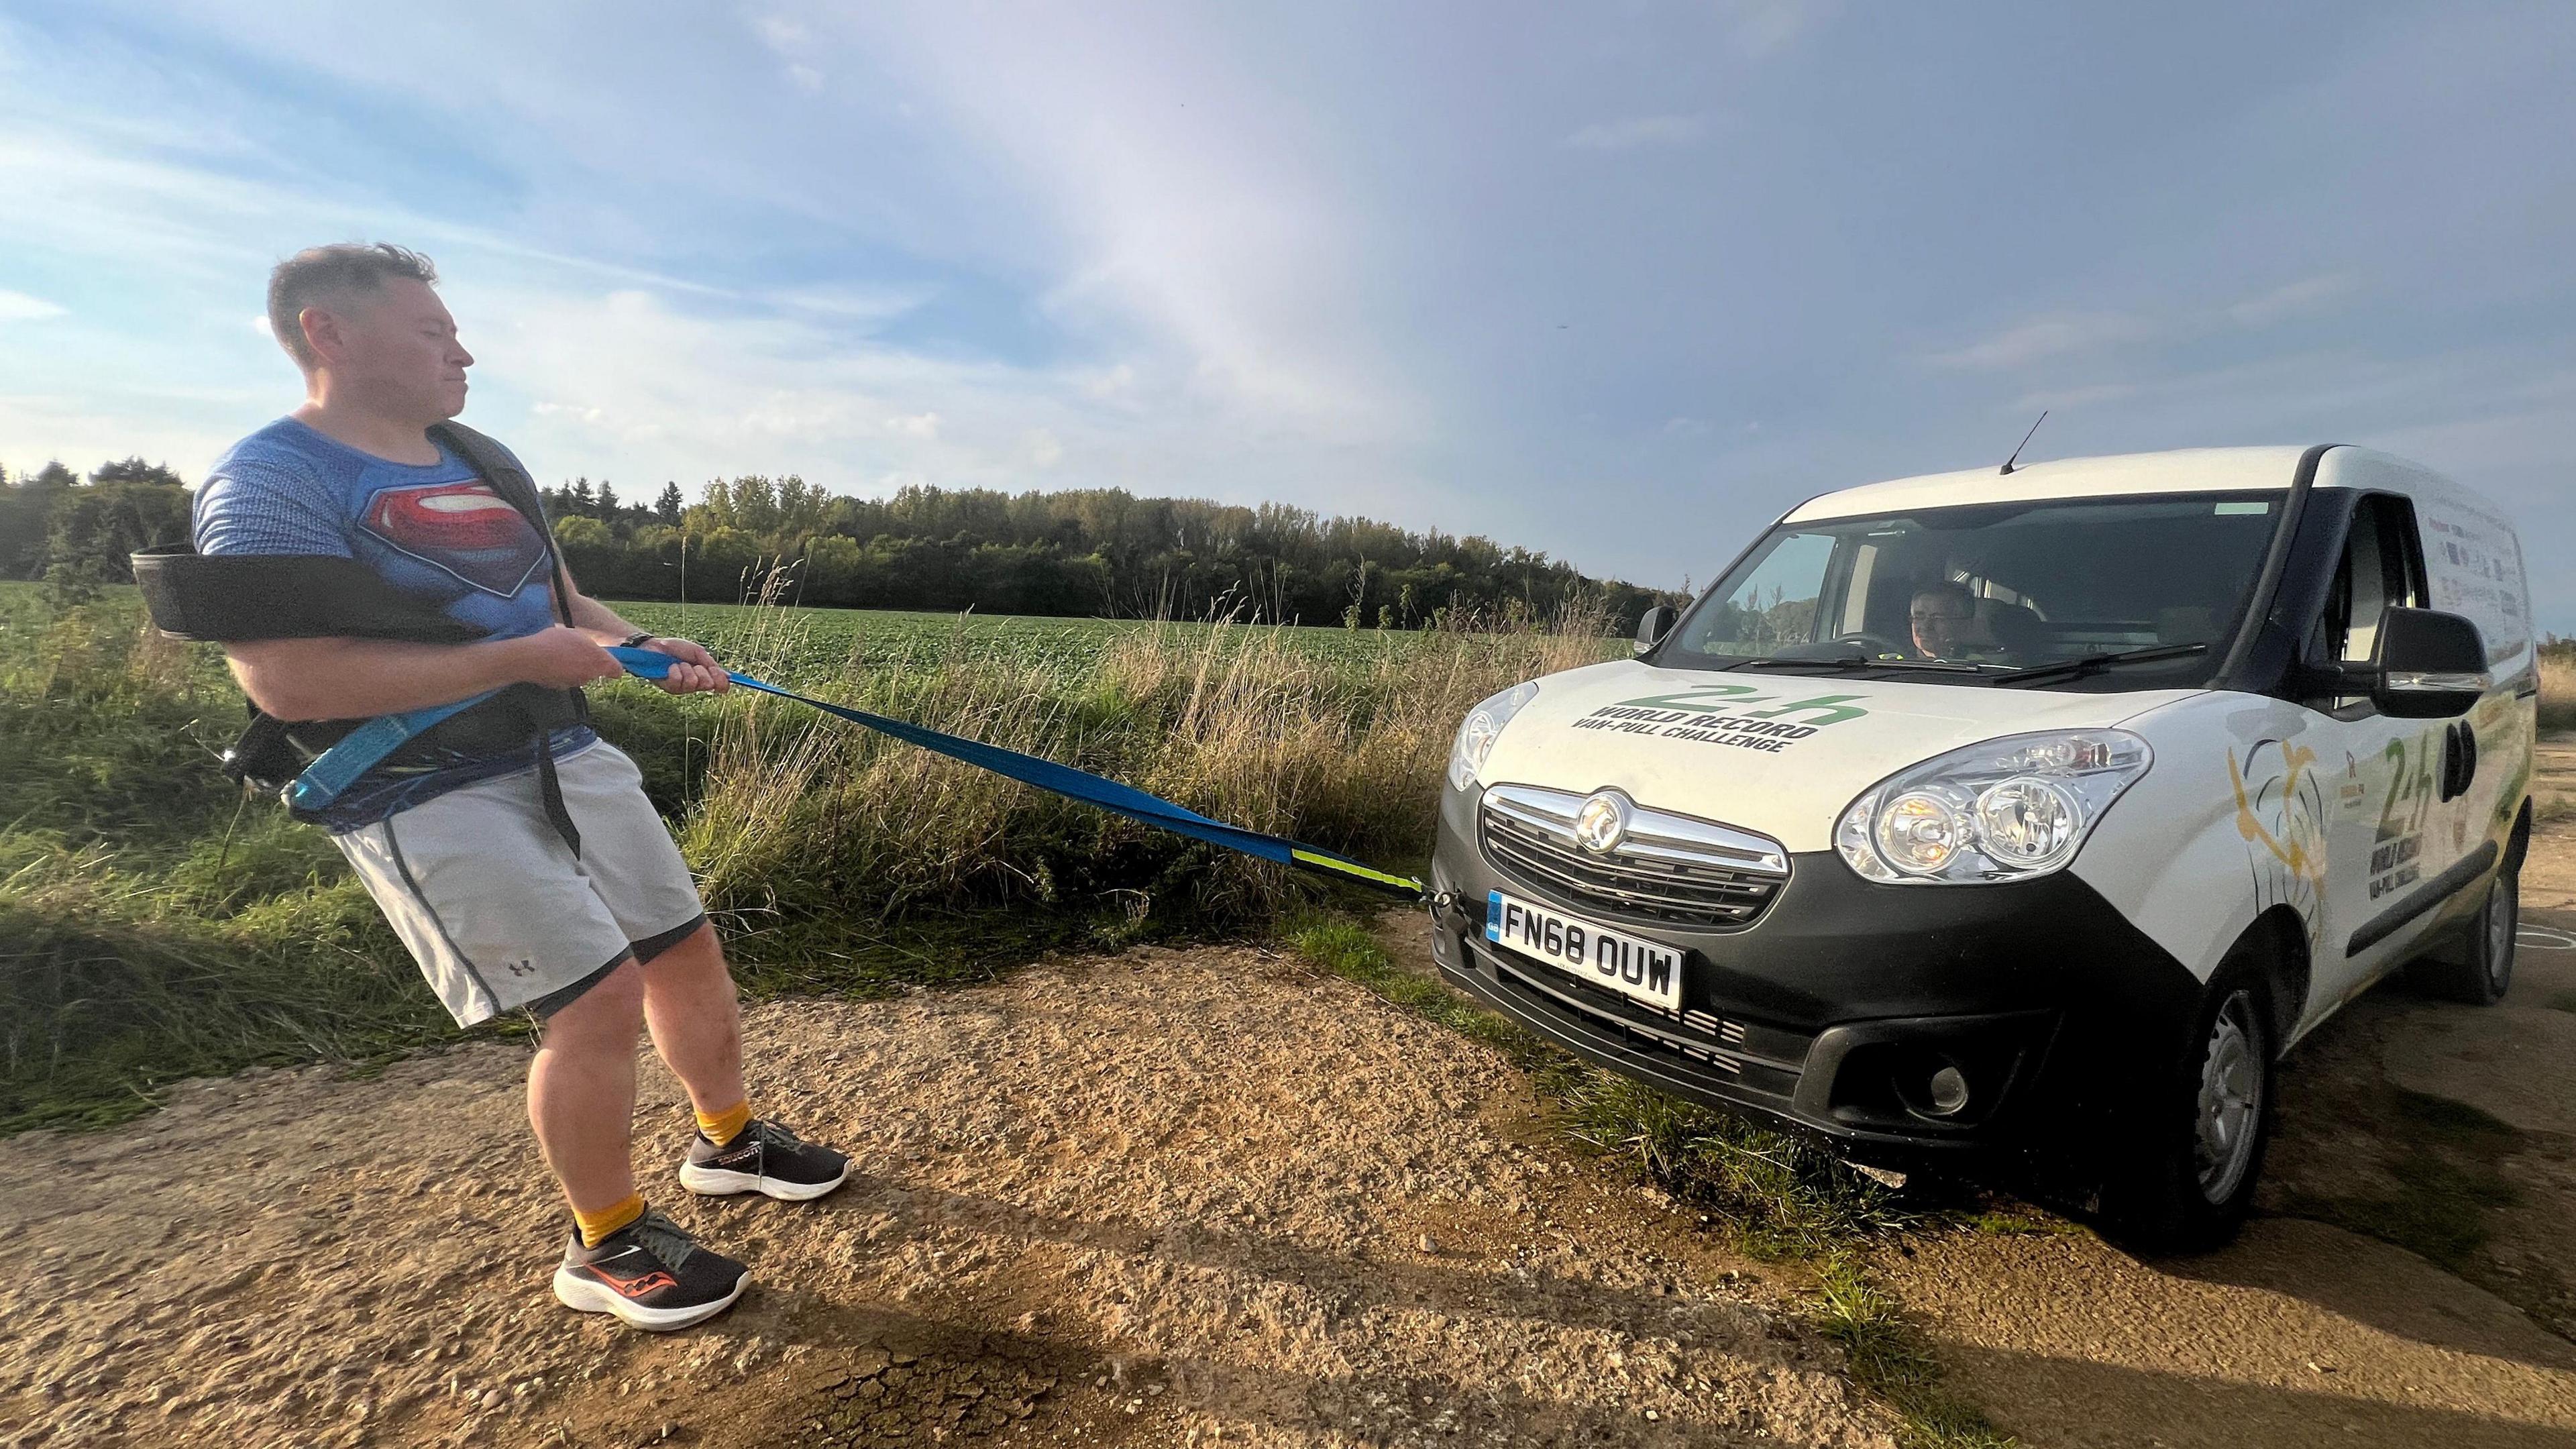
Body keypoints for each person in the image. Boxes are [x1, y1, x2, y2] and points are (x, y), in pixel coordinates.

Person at [190, 242, 845, 1332]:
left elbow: (562, 600)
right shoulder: (268, 480)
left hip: (563, 750)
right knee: (594, 1001)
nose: (465, 352)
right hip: (416, 786)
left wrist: (644, 644)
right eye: (434, 334)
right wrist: (511, 661)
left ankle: (727, 1143)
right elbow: (284, 680)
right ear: (329, 336)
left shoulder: (479, 457)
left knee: (681, 945)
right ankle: (606, 1244)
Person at [1907, 580, 2004, 662]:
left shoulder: (1990, 669)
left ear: (1965, 625)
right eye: (1919, 617)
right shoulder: (1894, 665)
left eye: (1938, 618)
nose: (1925, 626)